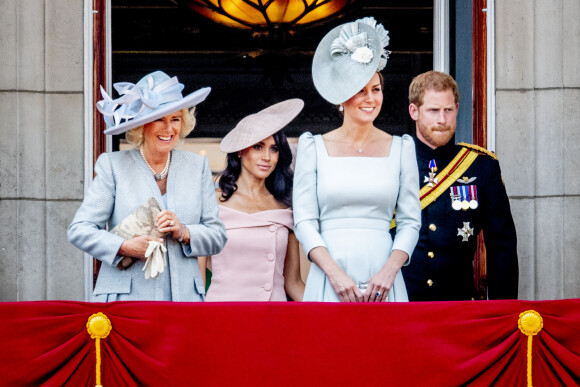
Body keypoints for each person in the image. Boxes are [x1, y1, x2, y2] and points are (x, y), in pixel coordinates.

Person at [68, 70, 227, 301]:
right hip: (127, 299)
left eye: (175, 119)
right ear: (142, 125)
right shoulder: (113, 166)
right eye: (159, 119)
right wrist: (124, 246)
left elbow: (217, 235)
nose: (169, 128)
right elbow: (79, 229)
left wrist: (184, 231)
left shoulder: (197, 166)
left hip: (184, 300)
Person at [292, 17, 421, 302]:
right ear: (341, 97)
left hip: (384, 280)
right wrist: (334, 275)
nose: (370, 98)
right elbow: (304, 221)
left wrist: (389, 272)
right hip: (329, 277)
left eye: (376, 89)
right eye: (361, 89)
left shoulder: (402, 148)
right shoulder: (313, 147)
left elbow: (411, 222)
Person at [401, 70, 518, 301]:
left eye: (448, 110)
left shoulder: (481, 167)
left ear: (457, 109)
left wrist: (502, 311)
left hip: (458, 305)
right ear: (414, 111)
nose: (442, 120)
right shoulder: (392, 160)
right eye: (433, 111)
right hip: (400, 305)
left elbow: (502, 247)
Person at [203, 99, 305, 302]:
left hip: (273, 318)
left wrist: (331, 316)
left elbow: (293, 283)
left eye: (274, 149)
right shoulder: (211, 204)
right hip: (222, 315)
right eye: (258, 147)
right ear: (240, 150)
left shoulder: (285, 209)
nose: (267, 156)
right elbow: (196, 275)